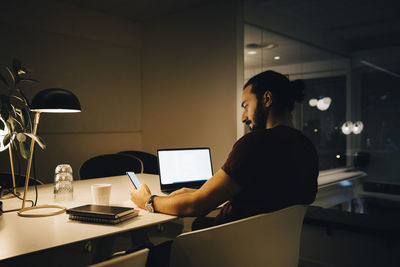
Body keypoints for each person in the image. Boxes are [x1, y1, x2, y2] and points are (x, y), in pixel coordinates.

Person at [130, 70, 318, 230]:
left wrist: (148, 200)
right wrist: (194, 192)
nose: (243, 117)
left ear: (267, 99)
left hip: (228, 250)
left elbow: (196, 205)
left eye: (246, 106)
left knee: (142, 255)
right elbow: (263, 196)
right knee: (198, 224)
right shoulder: (306, 147)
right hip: (266, 249)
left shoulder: (255, 143)